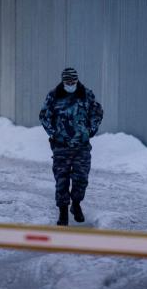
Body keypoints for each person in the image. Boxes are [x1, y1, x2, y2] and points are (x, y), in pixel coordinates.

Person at [39, 67, 103, 226]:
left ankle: (76, 204)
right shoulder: (54, 95)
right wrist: (53, 133)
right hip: (61, 146)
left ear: (76, 80)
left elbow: (97, 112)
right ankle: (62, 212)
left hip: (81, 145)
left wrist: (91, 131)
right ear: (62, 81)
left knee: (81, 178)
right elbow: (44, 116)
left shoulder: (86, 94)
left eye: (72, 81)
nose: (70, 84)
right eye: (67, 81)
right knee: (62, 179)